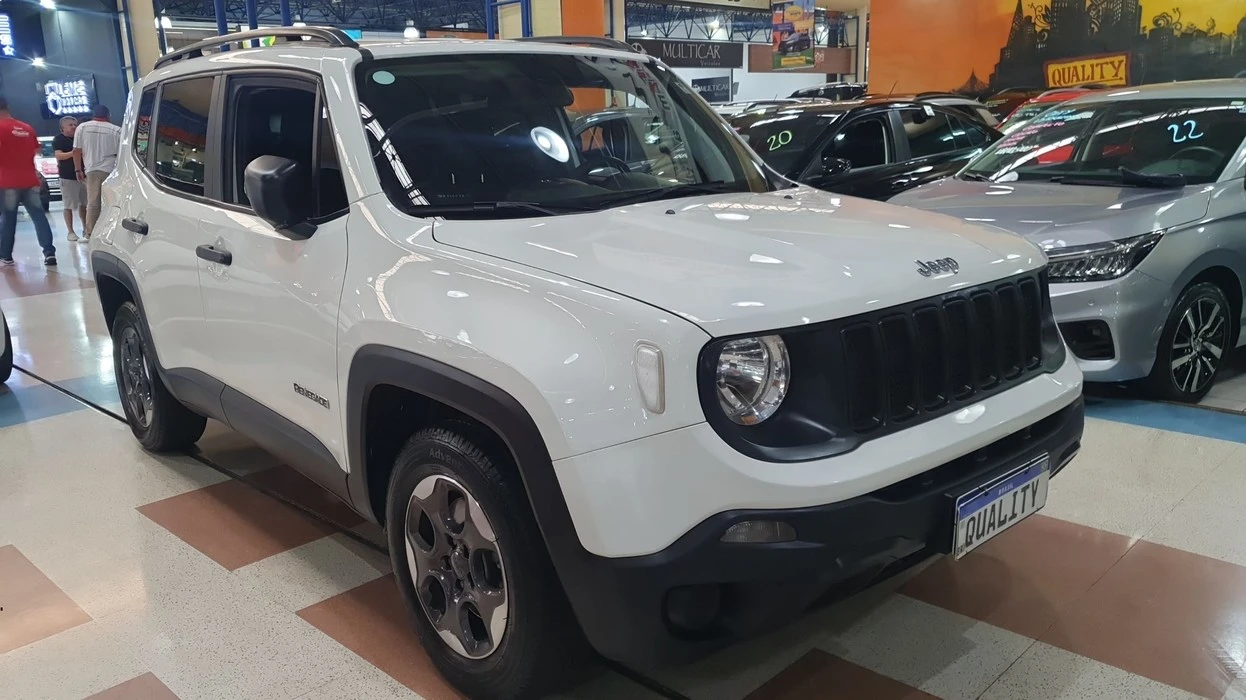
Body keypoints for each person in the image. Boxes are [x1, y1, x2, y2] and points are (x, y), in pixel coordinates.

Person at [0, 97, 56, 266]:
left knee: (8, 219)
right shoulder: (26, 127)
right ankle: (49, 253)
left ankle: (6, 255)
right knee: (39, 217)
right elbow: (37, 151)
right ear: (8, 106)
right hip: (30, 180)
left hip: (7, 181)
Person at [72, 104, 121, 241]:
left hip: (92, 170)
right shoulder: (117, 130)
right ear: (108, 116)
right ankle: (112, 232)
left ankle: (90, 233)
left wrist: (78, 169)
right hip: (113, 169)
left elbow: (76, 150)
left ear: (93, 115)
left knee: (93, 202)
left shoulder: (82, 127)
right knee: (112, 201)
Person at [52, 116, 87, 242]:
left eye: (75, 124)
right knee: (69, 205)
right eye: (70, 125)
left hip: (84, 175)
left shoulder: (80, 138)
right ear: (63, 127)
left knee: (84, 204)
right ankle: (70, 231)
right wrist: (74, 153)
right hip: (67, 176)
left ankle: (86, 228)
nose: (73, 127)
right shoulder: (58, 139)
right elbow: (59, 155)